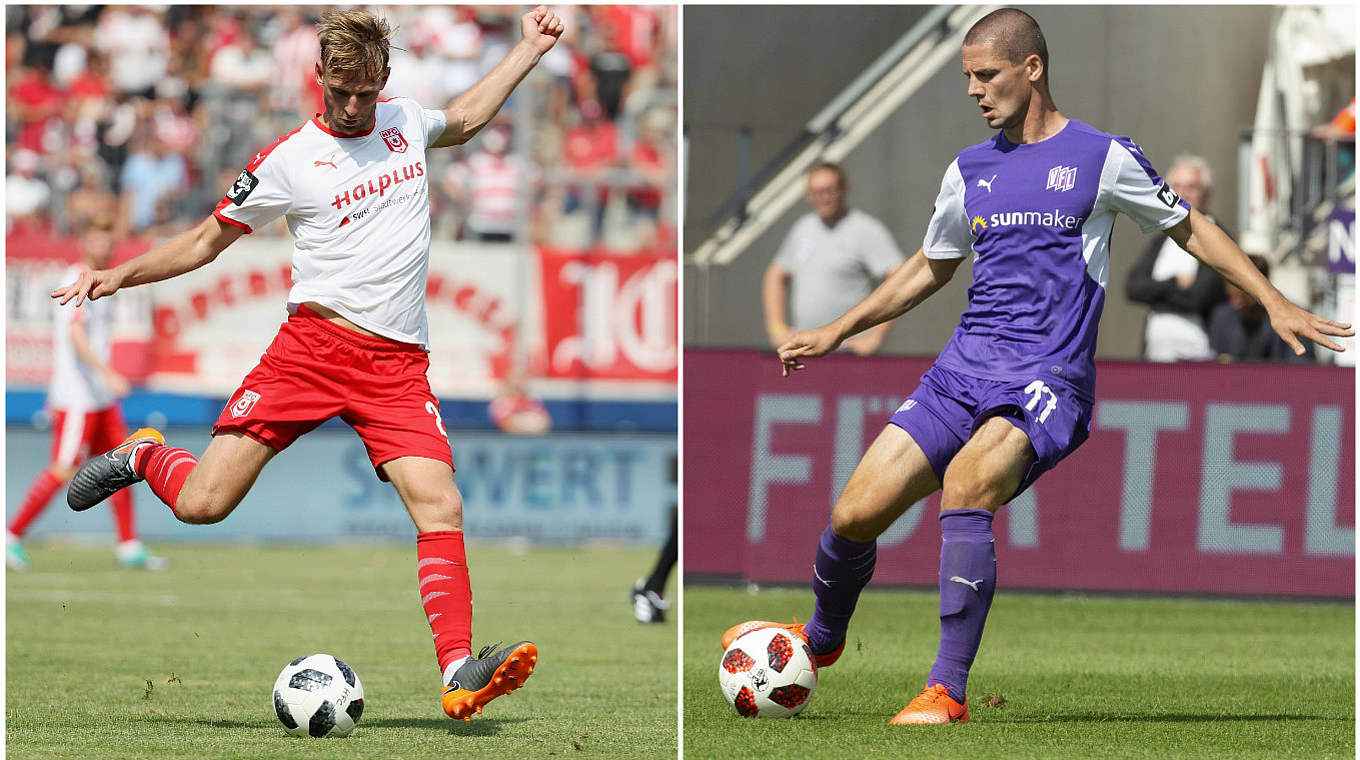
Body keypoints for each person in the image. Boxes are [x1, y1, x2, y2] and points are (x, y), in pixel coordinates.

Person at [723, 8, 1352, 726]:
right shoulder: (969, 170)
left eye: (985, 75)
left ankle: (946, 691)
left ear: (1032, 68)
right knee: (853, 513)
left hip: (1046, 380)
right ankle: (821, 640)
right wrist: (837, 329)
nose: (974, 90)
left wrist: (1272, 299)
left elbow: (1193, 227)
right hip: (961, 372)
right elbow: (929, 267)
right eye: (967, 77)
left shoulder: (1103, 158)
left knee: (966, 485)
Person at [53, 7, 565, 723]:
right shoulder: (288, 160)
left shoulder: (404, 123)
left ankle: (457, 673)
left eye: (365, 92)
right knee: (203, 504)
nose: (353, 106)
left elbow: (469, 117)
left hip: (396, 365)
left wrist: (529, 51)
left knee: (441, 503)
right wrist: (120, 273)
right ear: (318, 76)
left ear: (382, 81)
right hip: (311, 353)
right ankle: (145, 458)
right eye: (340, 91)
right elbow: (204, 243)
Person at [7, 216, 168, 572]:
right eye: (97, 238)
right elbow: (76, 335)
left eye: (108, 238)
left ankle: (129, 546)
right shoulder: (74, 279)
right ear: (83, 241)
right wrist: (108, 373)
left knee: (123, 466)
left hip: (99, 400)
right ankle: (10, 536)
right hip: (78, 398)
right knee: (63, 469)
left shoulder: (102, 281)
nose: (104, 246)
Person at [762, 162, 906, 356]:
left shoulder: (865, 229)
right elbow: (775, 276)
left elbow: (900, 279)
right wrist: (777, 329)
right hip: (805, 348)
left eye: (829, 191)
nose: (824, 198)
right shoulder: (802, 228)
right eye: (816, 192)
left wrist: (877, 335)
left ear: (844, 189)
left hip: (848, 352)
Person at [1125, 155, 1227, 361]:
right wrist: (1175, 283)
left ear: (1206, 193)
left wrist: (1156, 293)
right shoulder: (1161, 239)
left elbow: (1200, 296)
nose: (1183, 193)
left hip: (1201, 352)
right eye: (1177, 186)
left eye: (1192, 187)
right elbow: (1133, 287)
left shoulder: (1219, 239)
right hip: (1155, 351)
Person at [1209, 254, 1315, 363]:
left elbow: (1302, 368)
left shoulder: (1294, 318)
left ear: (1262, 285)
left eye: (1240, 285)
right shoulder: (1222, 317)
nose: (1233, 289)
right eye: (1230, 282)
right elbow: (1217, 360)